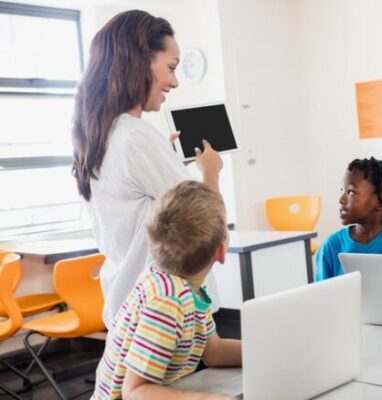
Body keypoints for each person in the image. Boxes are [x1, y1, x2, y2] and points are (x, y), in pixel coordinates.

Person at [71, 10, 223, 325]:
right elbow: (205, 230)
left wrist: (164, 158)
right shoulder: (137, 137)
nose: (175, 81)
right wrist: (211, 171)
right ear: (139, 61)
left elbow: (137, 204)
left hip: (128, 305)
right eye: (171, 67)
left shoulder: (102, 135)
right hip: (163, 311)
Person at [92, 181, 241, 400]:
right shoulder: (168, 301)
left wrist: (263, 350)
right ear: (221, 251)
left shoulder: (191, 289)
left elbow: (213, 351)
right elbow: (134, 392)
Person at [314, 157, 382, 281]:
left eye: (351, 192)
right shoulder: (331, 247)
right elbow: (322, 297)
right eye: (342, 190)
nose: (341, 199)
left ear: (381, 202)